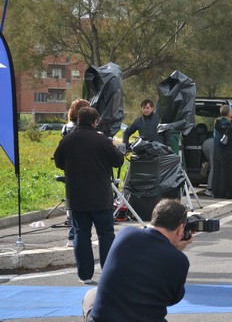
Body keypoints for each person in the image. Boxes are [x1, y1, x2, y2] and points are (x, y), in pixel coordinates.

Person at [83, 199, 193, 322]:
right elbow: (172, 299)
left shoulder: (125, 234)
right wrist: (175, 251)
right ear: (180, 228)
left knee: (91, 294)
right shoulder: (179, 260)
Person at [54, 106, 125, 283]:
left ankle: (85, 275)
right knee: (106, 234)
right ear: (95, 122)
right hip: (101, 197)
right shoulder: (101, 141)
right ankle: (108, 272)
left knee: (81, 234)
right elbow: (117, 161)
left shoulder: (67, 140)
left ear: (78, 120)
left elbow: (58, 162)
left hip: (77, 197)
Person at [61, 98, 90, 248]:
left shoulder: (66, 128)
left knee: (73, 203)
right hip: (86, 170)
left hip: (71, 171)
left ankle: (72, 235)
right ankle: (75, 233)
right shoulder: (83, 129)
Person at [212, 104, 232, 198]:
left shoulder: (216, 121)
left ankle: (214, 191)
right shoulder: (227, 122)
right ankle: (222, 192)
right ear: (228, 113)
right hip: (223, 148)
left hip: (215, 147)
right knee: (224, 171)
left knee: (216, 171)